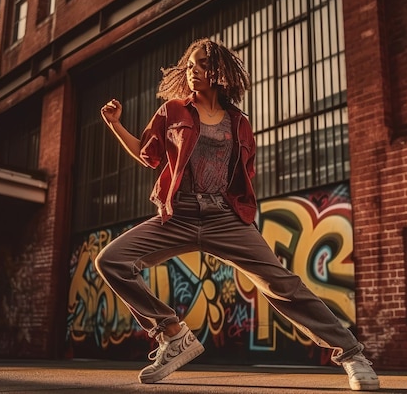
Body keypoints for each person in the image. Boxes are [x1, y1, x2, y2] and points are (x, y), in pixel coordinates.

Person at [95, 38, 380, 391]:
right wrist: (114, 125)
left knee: (283, 284)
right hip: (179, 214)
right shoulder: (172, 111)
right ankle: (172, 333)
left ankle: (352, 354)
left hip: (224, 218)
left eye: (201, 64)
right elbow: (148, 156)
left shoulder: (239, 122)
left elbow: (243, 174)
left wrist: (241, 213)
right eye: (189, 65)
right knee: (111, 260)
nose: (193, 70)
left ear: (220, 72)